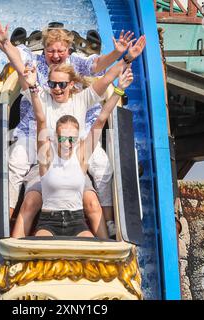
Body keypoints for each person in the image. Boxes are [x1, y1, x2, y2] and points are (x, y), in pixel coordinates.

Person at [0, 2, 146, 238]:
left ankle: (112, 226)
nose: (57, 87)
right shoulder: (38, 86)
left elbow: (102, 76)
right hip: (39, 140)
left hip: (74, 141)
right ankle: (4, 222)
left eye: (62, 84)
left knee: (103, 168)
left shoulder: (79, 90)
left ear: (72, 82)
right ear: (43, 51)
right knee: (15, 163)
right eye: (50, 51)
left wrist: (123, 57)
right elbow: (13, 57)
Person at [20, 60, 133, 237]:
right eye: (63, 138)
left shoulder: (81, 156)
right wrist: (34, 86)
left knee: (96, 246)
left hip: (76, 221)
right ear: (55, 138)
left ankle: (108, 242)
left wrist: (120, 89)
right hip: (49, 221)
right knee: (41, 244)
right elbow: (41, 119)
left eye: (72, 139)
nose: (68, 143)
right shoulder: (46, 156)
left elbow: (101, 119)